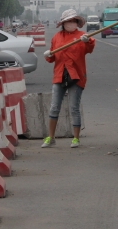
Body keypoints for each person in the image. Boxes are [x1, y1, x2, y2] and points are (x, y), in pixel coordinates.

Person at [42, 9, 95, 149]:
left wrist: (87, 41)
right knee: (54, 107)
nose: (71, 23)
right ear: (63, 23)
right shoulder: (56, 37)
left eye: (73, 21)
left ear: (77, 22)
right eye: (68, 21)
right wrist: (48, 55)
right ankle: (50, 137)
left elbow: (90, 48)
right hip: (59, 74)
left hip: (76, 76)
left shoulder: (82, 36)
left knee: (74, 108)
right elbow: (52, 58)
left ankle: (76, 138)